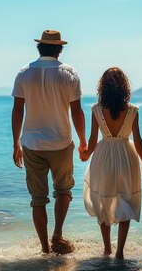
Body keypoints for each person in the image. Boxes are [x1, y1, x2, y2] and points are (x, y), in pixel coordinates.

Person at [11, 29, 87, 254]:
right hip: (61, 143)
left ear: (39, 47)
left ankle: (44, 249)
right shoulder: (69, 73)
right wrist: (83, 141)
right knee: (63, 190)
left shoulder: (24, 73)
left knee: (38, 199)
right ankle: (57, 235)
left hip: (32, 144)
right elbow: (77, 111)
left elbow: (17, 111)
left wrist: (15, 143)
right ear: (60, 49)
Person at [80, 67, 142, 259]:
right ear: (124, 87)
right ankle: (119, 251)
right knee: (125, 200)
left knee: (104, 201)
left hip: (104, 155)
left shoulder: (96, 110)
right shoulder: (133, 110)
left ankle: (107, 248)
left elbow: (93, 142)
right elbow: (139, 140)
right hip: (127, 156)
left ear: (103, 88)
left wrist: (85, 154)